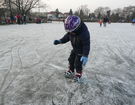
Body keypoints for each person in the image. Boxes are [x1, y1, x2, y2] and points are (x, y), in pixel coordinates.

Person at [53, 15, 90, 82]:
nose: (70, 33)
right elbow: (67, 37)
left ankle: (78, 74)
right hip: (75, 49)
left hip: (81, 51)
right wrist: (60, 41)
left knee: (77, 63)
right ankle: (71, 70)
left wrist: (85, 55)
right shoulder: (71, 32)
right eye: (69, 31)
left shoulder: (84, 34)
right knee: (71, 59)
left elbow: (86, 45)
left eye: (71, 31)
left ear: (77, 27)